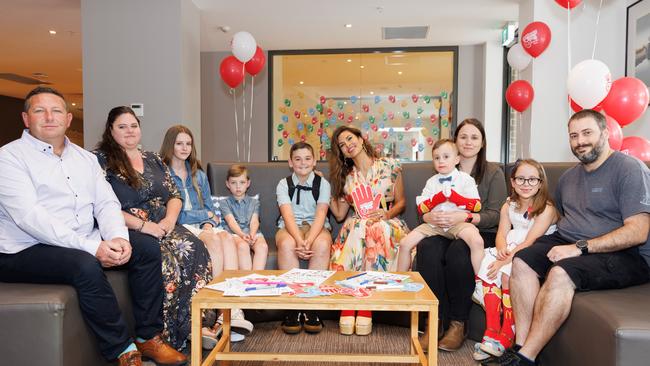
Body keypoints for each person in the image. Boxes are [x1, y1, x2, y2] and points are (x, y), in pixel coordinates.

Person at [0, 87, 185, 366]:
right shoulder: (9, 158)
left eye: (57, 111)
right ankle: (121, 350)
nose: (49, 117)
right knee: (84, 264)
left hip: (85, 238)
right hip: (25, 248)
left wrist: (118, 238)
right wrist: (93, 247)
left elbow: (106, 204)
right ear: (26, 119)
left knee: (146, 247)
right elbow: (31, 218)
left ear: (68, 119)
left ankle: (148, 337)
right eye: (40, 110)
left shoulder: (84, 159)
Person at [483, 110, 650, 366]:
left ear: (605, 134)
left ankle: (526, 359)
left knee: (560, 273)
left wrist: (580, 247)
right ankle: (520, 346)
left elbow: (638, 231)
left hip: (623, 254)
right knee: (522, 261)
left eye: (587, 133)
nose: (580, 141)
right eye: (574, 135)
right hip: (569, 240)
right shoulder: (569, 178)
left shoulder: (629, 169)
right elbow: (561, 217)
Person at [94, 106, 212, 352]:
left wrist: (169, 221)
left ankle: (194, 325)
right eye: (122, 126)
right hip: (132, 226)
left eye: (134, 126)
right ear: (110, 130)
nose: (129, 131)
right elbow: (101, 205)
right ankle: (163, 337)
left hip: (164, 223)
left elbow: (174, 194)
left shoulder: (153, 159)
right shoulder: (100, 161)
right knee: (167, 263)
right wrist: (143, 226)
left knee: (196, 250)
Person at [416, 118, 507, 352]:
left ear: (482, 142)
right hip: (443, 229)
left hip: (479, 232)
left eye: (474, 137)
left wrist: (464, 218)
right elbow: (425, 206)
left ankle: (458, 323)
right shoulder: (441, 170)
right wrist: (429, 217)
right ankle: (433, 321)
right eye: (463, 136)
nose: (468, 142)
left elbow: (496, 215)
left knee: (459, 252)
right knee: (428, 248)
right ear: (455, 141)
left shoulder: (493, 173)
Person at [160, 125, 252, 345]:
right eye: (179, 143)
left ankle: (231, 311)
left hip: (204, 226)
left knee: (228, 239)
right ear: (170, 145)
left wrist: (209, 222)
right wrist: (204, 215)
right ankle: (213, 310)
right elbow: (175, 214)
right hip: (181, 227)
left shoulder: (198, 175)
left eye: (188, 144)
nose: (184, 148)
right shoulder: (163, 173)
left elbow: (212, 208)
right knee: (213, 242)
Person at [472, 159, 557, 361]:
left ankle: (507, 334)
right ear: (512, 182)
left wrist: (505, 261)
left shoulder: (546, 208)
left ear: (540, 182)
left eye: (532, 180)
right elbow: (501, 233)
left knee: (504, 274)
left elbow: (531, 240)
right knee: (486, 265)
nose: (526, 184)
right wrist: (501, 250)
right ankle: (492, 330)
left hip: (532, 250)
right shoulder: (508, 205)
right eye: (520, 179)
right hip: (510, 247)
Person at [329, 126, 409, 336]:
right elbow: (339, 215)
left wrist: (387, 215)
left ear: (361, 139)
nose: (348, 145)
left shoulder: (391, 165)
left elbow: (401, 202)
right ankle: (348, 302)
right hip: (357, 224)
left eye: (350, 139)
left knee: (375, 228)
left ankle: (365, 305)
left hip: (387, 222)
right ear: (341, 152)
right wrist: (322, 189)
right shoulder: (347, 177)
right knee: (358, 227)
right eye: (342, 145)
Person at [397, 139, 483, 274]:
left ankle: (481, 282)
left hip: (458, 223)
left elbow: (476, 206)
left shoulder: (466, 179)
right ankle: (400, 279)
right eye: (437, 158)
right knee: (404, 243)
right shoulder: (431, 182)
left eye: (446, 157)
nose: (441, 161)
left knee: (477, 241)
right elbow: (422, 208)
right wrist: (438, 198)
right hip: (434, 225)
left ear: (457, 159)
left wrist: (456, 198)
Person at [275, 142, 332, 335]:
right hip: (291, 227)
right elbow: (287, 215)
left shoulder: (322, 184)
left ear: (314, 161)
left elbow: (321, 213)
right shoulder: (284, 184)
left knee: (323, 244)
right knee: (286, 244)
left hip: (317, 226)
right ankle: (292, 307)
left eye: (307, 158)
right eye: (297, 159)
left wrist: (309, 240)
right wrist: (299, 240)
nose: (303, 163)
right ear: (290, 162)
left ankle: (311, 306)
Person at [220, 164, 269, 271]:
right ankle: (246, 278)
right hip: (235, 233)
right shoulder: (224, 203)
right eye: (233, 183)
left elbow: (254, 221)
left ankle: (256, 278)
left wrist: (251, 235)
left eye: (242, 182)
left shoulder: (254, 202)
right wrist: (242, 235)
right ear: (227, 184)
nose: (238, 186)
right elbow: (231, 222)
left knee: (263, 247)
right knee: (243, 246)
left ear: (248, 183)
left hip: (253, 232)